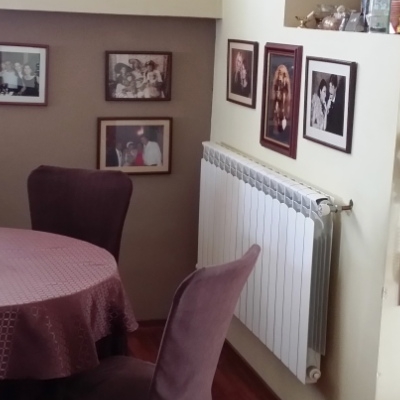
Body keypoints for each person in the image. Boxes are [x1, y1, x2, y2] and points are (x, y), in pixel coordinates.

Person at [271, 65, 290, 133]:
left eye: (282, 74)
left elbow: (287, 93)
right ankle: (276, 127)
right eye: (279, 73)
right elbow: (274, 92)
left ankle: (281, 128)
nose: (280, 75)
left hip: (283, 101)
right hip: (277, 100)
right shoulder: (276, 83)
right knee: (276, 113)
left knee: (282, 113)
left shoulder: (285, 83)